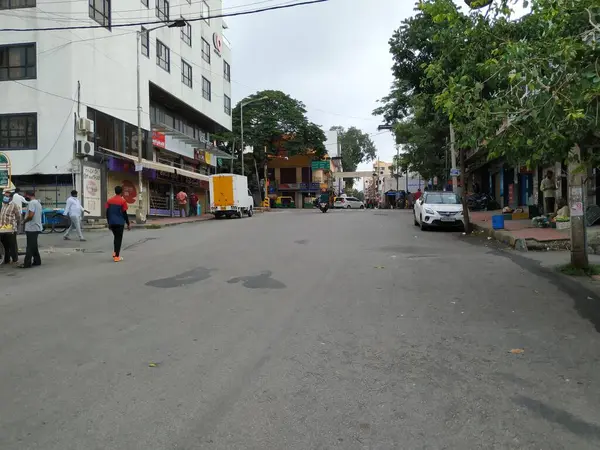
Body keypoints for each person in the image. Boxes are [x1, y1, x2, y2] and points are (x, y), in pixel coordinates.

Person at [106, 186, 130, 263]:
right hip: (119, 223)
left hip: (112, 222)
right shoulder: (122, 201)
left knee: (116, 238)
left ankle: (115, 252)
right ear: (121, 192)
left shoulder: (109, 200)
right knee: (118, 239)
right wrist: (128, 223)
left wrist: (108, 222)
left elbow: (107, 212)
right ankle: (117, 257)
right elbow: (124, 213)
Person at [20, 190, 42, 268]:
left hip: (32, 227)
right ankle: (37, 261)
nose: (25, 197)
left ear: (28, 195)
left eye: (25, 196)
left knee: (29, 246)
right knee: (33, 245)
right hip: (36, 226)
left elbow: (31, 215)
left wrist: (24, 221)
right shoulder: (38, 202)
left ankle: (27, 263)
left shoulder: (32, 203)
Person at [0, 191, 19, 265]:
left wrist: (14, 225)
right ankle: (6, 259)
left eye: (7, 196)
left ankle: (15, 259)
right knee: (5, 245)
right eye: (5, 195)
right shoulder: (3, 204)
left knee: (12, 245)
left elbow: (18, 217)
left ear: (10, 197)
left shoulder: (14, 205)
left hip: (11, 228)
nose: (5, 197)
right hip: (2, 228)